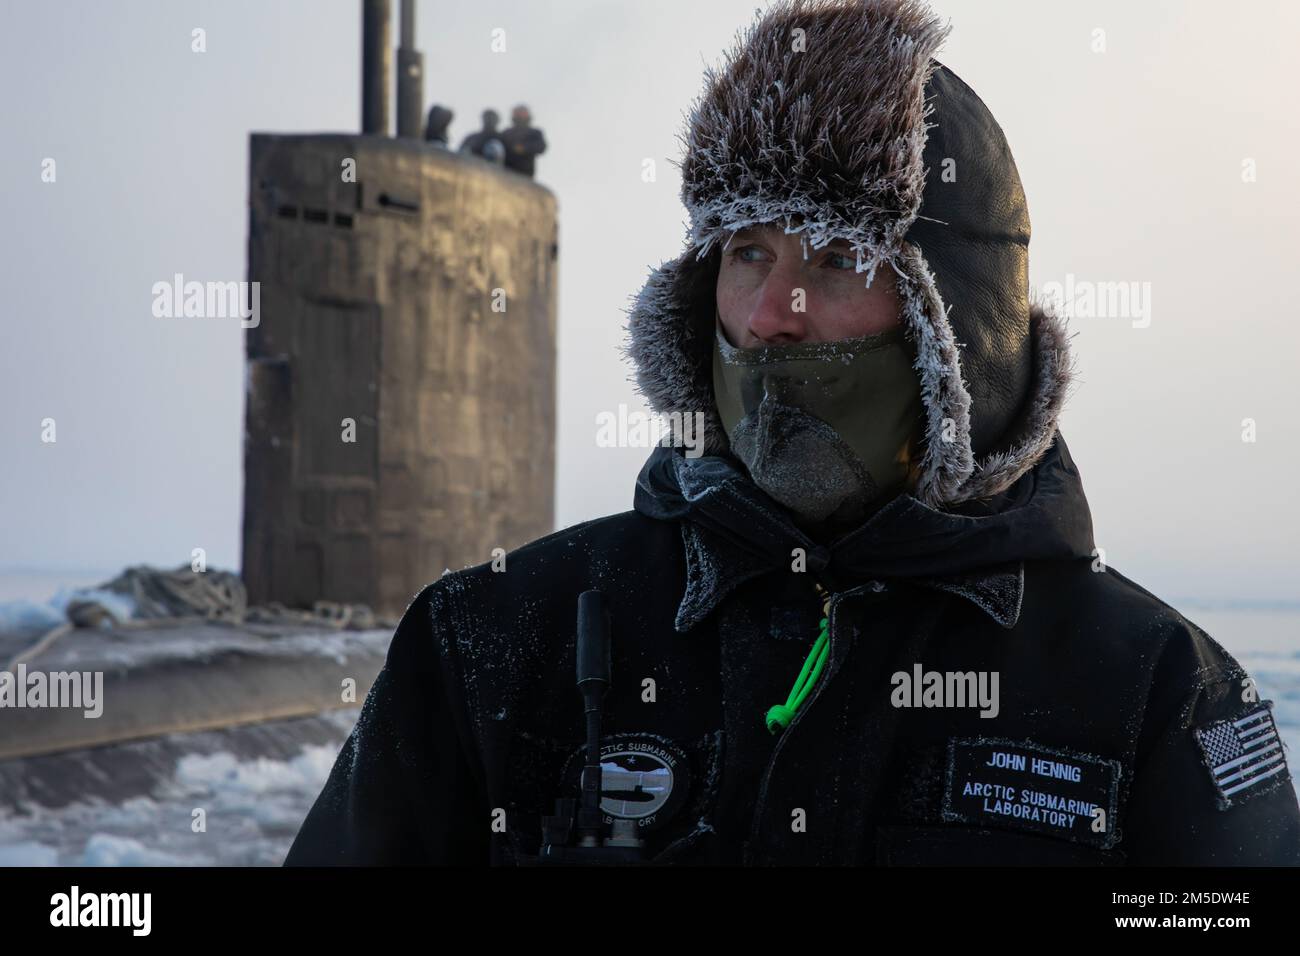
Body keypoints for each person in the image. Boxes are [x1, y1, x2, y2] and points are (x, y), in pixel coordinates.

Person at [285, 0, 1299, 866]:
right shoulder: (493, 641)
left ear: (956, 324)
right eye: (748, 252)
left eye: (838, 257)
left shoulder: (1157, 693)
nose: (773, 312)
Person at [498, 104, 546, 178]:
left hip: (525, 173)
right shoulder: (506, 133)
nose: (520, 116)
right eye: (518, 113)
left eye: (522, 113)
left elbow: (541, 147)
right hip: (507, 171)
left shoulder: (534, 132)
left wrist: (524, 148)